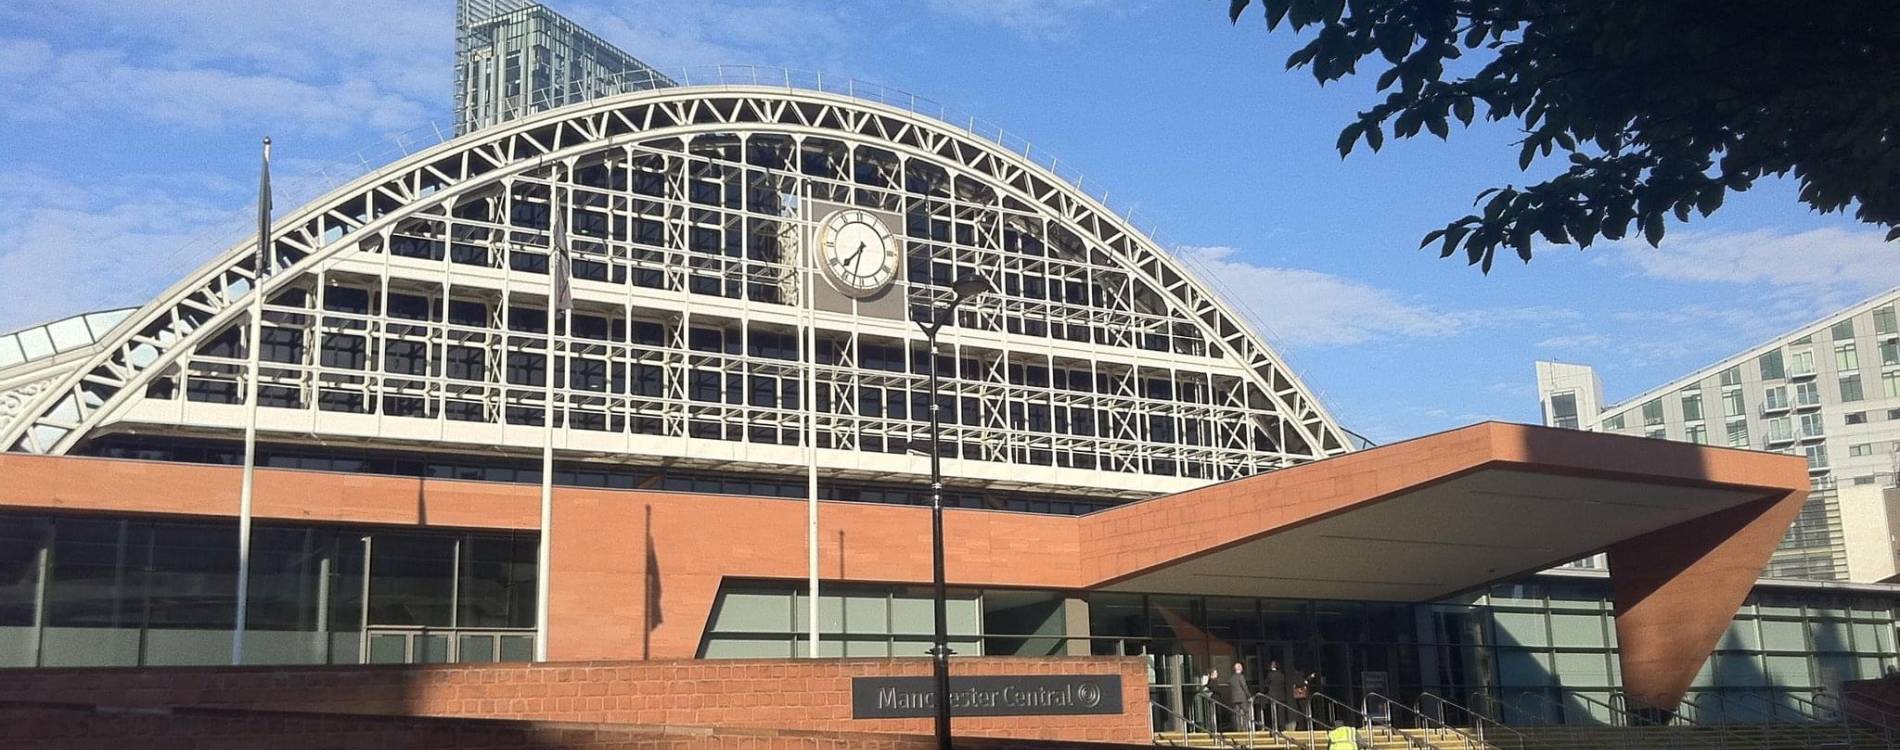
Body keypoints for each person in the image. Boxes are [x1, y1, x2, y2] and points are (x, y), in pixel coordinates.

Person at [1227, 661, 1254, 733]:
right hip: (1242, 698)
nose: (1242, 668)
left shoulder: (1231, 678)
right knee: (1246, 712)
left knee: (1237, 714)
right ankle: (1245, 728)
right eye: (1241, 667)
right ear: (1239, 668)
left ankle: (1238, 729)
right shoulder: (1241, 676)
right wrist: (1249, 696)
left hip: (1234, 698)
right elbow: (1244, 687)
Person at [1266, 660, 1290, 730]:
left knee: (1274, 712)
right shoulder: (1282, 675)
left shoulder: (1270, 675)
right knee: (1281, 712)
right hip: (1281, 696)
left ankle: (1274, 726)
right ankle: (1282, 726)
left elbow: (1266, 684)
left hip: (1273, 696)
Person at [1196, 667, 1219, 732]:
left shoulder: (1212, 681)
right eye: (1215, 673)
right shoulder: (1212, 681)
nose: (1217, 674)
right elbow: (1214, 689)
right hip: (1212, 699)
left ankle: (1212, 728)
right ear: (1212, 674)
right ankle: (1212, 729)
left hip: (1213, 699)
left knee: (1212, 714)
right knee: (1211, 714)